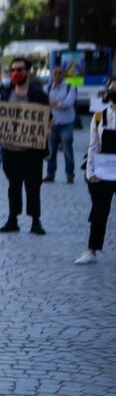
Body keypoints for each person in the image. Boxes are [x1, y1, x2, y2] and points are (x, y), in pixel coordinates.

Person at [0, 57, 49, 235]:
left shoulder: (38, 95)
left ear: (28, 72)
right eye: (12, 70)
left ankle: (35, 221)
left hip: (31, 150)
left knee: (33, 186)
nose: (15, 73)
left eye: (19, 70)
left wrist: (45, 132)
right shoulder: (6, 93)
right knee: (13, 185)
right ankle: (13, 219)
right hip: (10, 149)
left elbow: (47, 119)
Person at [76, 76, 116, 264]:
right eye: (112, 88)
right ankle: (92, 250)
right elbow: (93, 145)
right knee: (99, 210)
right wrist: (90, 172)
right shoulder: (100, 115)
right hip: (105, 170)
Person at [45, 66, 78, 184]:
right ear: (52, 75)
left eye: (60, 73)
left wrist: (53, 104)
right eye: (55, 73)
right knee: (51, 150)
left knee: (67, 149)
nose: (57, 75)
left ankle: (70, 174)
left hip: (66, 123)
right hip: (52, 124)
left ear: (63, 75)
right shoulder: (47, 88)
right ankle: (50, 174)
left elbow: (68, 104)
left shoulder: (70, 88)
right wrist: (58, 103)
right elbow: (43, 103)